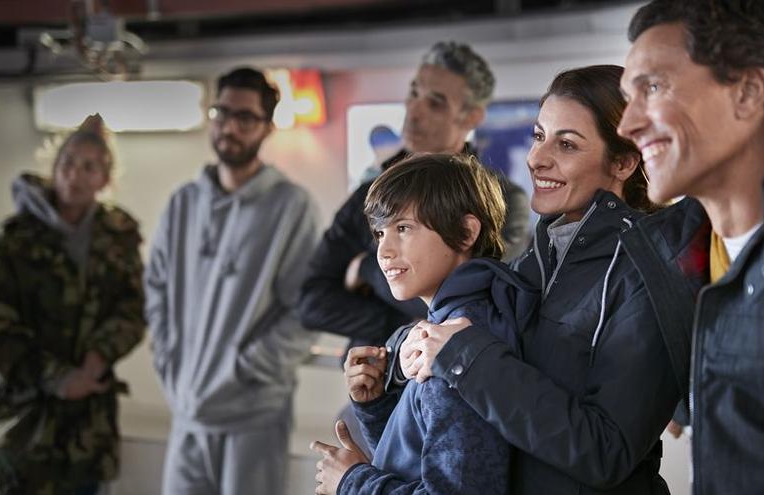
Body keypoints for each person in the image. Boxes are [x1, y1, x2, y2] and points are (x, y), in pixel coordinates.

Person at [389, 65, 703, 494]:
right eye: (539, 136)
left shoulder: (645, 271)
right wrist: (405, 350)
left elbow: (605, 452)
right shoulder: (534, 260)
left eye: (567, 144)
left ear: (624, 162)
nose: (537, 158)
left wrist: (466, 358)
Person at [616, 1, 764, 493]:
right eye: (627, 96)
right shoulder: (676, 254)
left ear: (748, 92)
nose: (628, 124)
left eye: (654, 87)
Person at [310, 153, 538, 494]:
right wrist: (376, 407)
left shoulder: (453, 345)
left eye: (403, 228)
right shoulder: (462, 322)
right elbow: (425, 462)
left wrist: (352, 483)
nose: (384, 251)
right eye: (379, 233)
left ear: (465, 232)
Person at [144, 67, 319, 495]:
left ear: (266, 127)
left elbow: (306, 308)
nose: (229, 127)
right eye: (222, 113)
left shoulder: (291, 206)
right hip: (186, 411)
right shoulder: (183, 202)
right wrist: (170, 362)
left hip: (252, 416)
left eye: (245, 118)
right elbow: (156, 289)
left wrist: (247, 368)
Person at [299, 41, 531, 353]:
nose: (415, 109)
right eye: (413, 93)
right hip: (375, 381)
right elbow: (312, 302)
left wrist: (367, 269)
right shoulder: (368, 196)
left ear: (471, 116)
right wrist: (400, 329)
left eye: (435, 103)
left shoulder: (500, 200)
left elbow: (479, 301)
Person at [0, 114, 145, 494]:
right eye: (68, 162)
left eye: (90, 167)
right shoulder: (12, 240)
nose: (76, 175)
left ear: (105, 179)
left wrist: (99, 356)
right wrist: (55, 376)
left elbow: (132, 308)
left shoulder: (117, 239)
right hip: (18, 425)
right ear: (53, 168)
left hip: (86, 427)